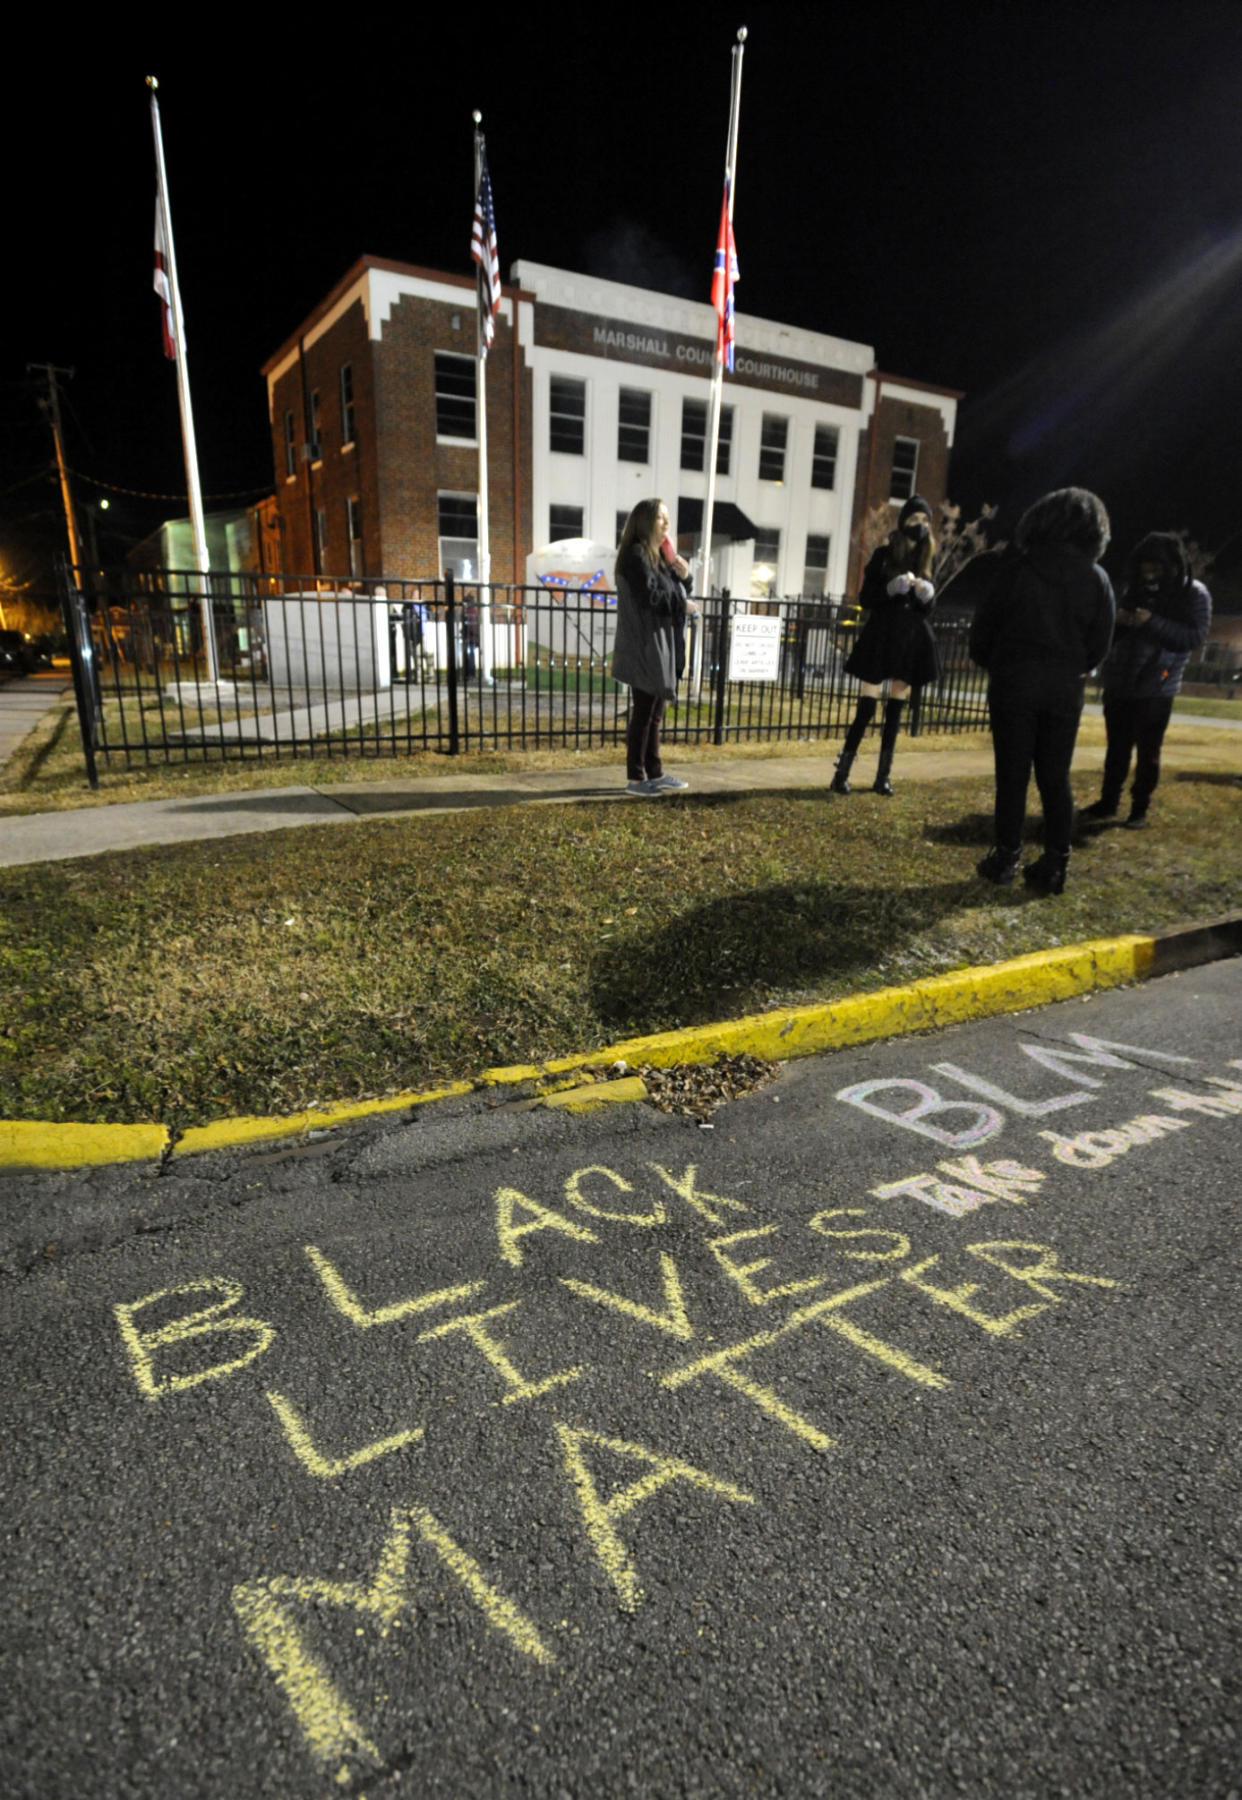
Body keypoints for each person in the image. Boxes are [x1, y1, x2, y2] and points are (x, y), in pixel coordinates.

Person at [971, 487, 1115, 894]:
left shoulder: (1018, 569)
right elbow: (1100, 643)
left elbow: (983, 630)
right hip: (1064, 689)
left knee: (1012, 775)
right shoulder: (1097, 579)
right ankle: (1056, 862)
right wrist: (1072, 667)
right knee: (1056, 777)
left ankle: (1005, 857)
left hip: (1014, 683)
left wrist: (999, 663)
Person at [1079, 532, 1211, 830]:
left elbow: (1193, 637)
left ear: (1172, 567)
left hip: (1158, 686)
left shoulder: (1194, 594)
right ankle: (1108, 801)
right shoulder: (1133, 588)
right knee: (1116, 748)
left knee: (1148, 751)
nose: (1149, 575)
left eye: (1156, 570)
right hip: (1120, 680)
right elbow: (1113, 634)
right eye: (1145, 569)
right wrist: (1120, 620)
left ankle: (1139, 808)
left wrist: (1151, 622)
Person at [832, 494, 939, 795]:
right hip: (881, 636)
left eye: (925, 521)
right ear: (904, 521)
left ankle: (883, 776)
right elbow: (866, 599)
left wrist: (927, 596)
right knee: (866, 708)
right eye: (915, 519)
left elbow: (929, 610)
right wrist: (892, 588)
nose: (920, 526)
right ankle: (841, 773)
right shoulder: (883, 555)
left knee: (895, 710)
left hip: (910, 640)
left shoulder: (929, 559)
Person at [611, 498, 697, 795]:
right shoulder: (636, 555)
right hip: (644, 645)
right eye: (661, 517)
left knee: (654, 713)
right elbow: (650, 598)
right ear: (645, 521)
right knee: (644, 713)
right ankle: (636, 778)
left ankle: (655, 772)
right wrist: (681, 603)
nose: (667, 523)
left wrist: (684, 576)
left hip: (660, 644)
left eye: (668, 517)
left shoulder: (657, 556)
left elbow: (672, 591)